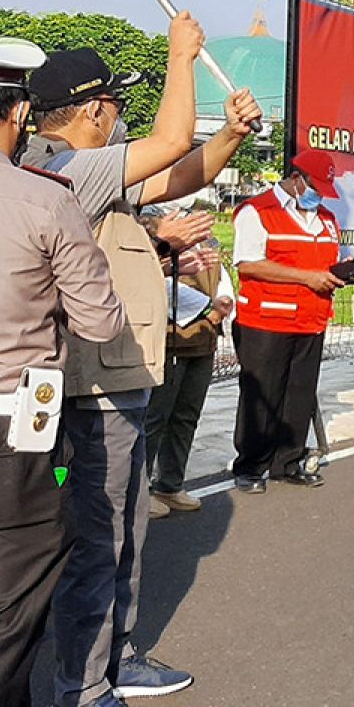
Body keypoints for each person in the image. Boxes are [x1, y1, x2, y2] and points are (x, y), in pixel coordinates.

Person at [23, 12, 263, 707]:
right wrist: (181, 58)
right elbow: (166, 143)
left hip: (109, 384)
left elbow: (177, 171)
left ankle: (112, 659)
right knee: (97, 539)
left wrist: (229, 135)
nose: (121, 115)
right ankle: (83, 683)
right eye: (117, 103)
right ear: (93, 110)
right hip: (89, 393)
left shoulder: (83, 171)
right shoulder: (68, 166)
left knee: (116, 533)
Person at [0, 38, 125, 707]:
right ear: (17, 114)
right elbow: (100, 324)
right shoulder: (44, 199)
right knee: (1, 617)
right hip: (10, 428)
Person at [230, 149, 347, 493]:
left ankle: (288, 460)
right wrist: (306, 277)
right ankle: (251, 466)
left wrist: (339, 271)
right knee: (262, 393)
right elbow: (248, 263)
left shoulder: (325, 218)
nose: (320, 195)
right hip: (266, 320)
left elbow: (326, 259)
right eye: (316, 186)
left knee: (299, 393)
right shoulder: (258, 211)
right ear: (297, 179)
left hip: (311, 319)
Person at [143, 215, 235, 519]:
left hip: (204, 341)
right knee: (155, 418)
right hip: (170, 341)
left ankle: (170, 483)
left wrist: (222, 302)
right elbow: (152, 283)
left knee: (186, 417)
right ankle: (140, 490)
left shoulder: (209, 241)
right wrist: (205, 309)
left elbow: (221, 279)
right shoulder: (155, 234)